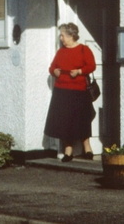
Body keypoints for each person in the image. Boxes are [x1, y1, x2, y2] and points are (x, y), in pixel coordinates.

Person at [44, 22, 96, 162]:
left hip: (79, 91)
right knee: (65, 122)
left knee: (82, 120)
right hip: (62, 91)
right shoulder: (61, 51)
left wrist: (79, 71)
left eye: (63, 35)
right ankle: (68, 151)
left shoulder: (83, 50)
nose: (61, 38)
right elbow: (52, 67)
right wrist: (54, 71)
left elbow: (91, 66)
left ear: (71, 36)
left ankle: (87, 148)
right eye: (61, 36)